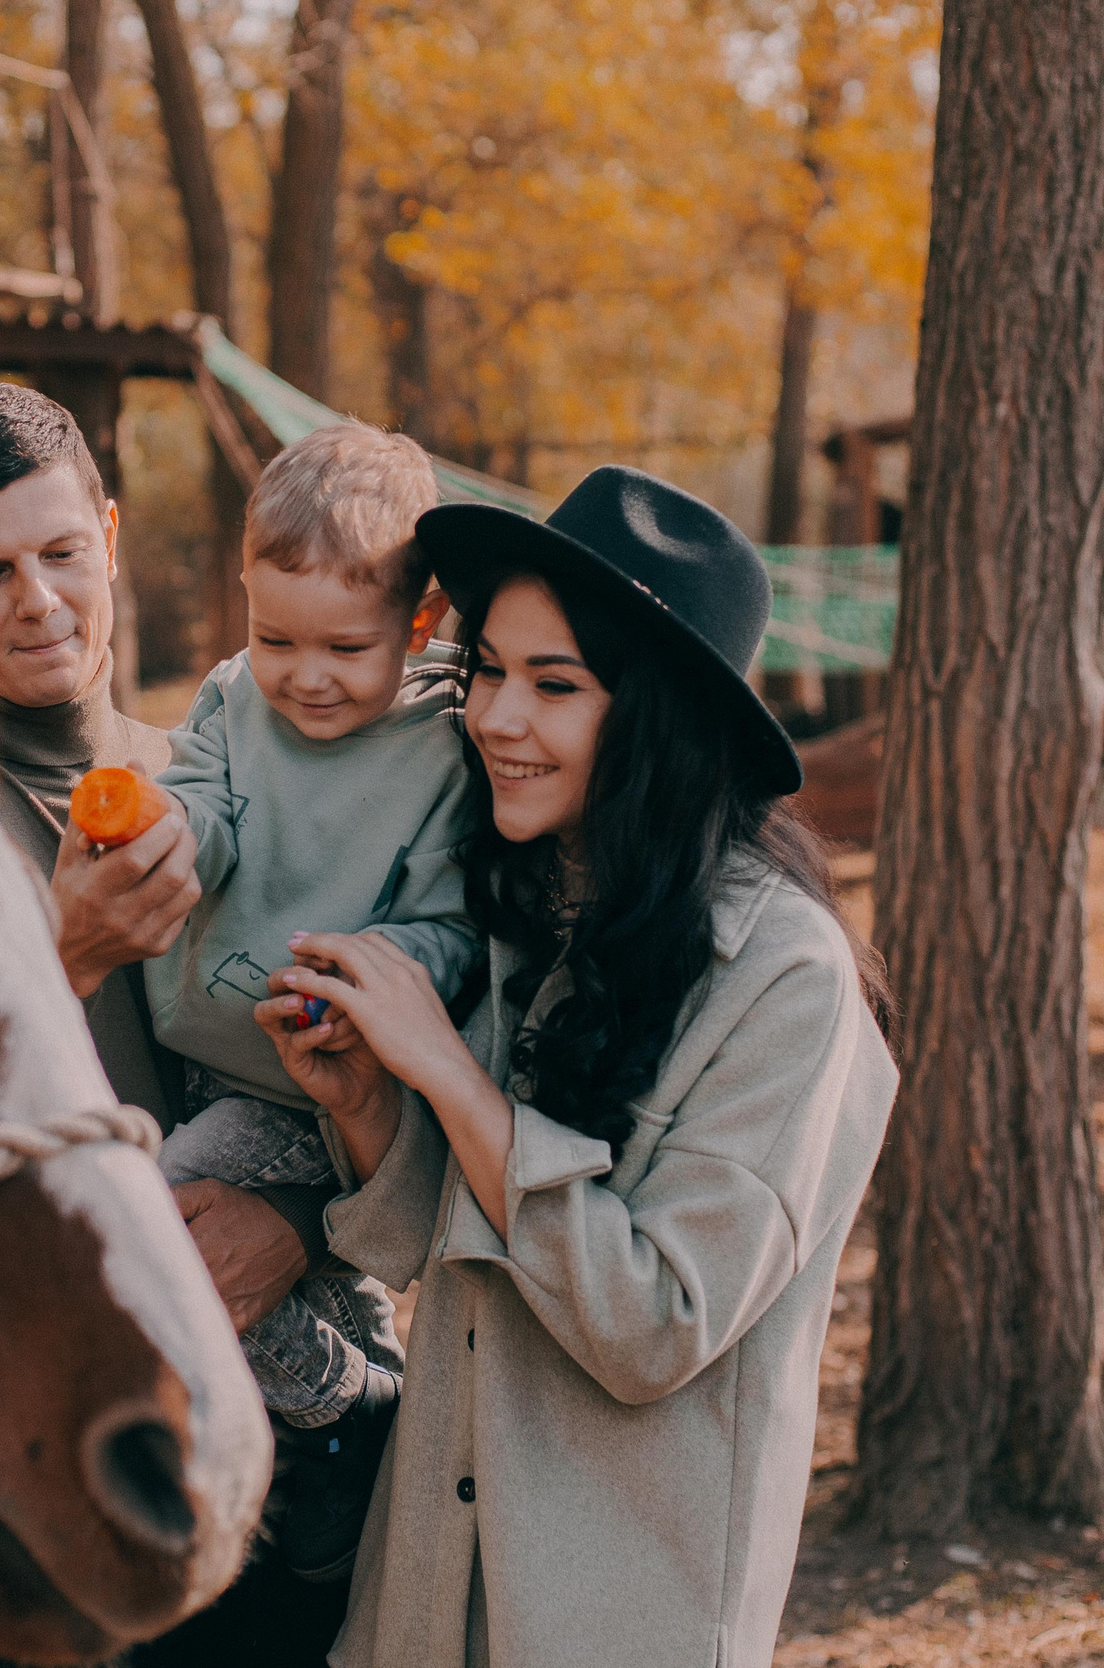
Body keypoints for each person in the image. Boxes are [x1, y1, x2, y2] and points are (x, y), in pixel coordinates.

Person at [253, 466, 898, 1668]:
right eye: (489, 669)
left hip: (614, 1618)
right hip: (422, 1601)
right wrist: (367, 1102)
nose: (498, 717)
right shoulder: (529, 903)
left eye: (555, 685)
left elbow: (652, 1323)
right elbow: (429, 1249)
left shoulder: (787, 980)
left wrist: (447, 1072)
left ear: (656, 718)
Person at [0, 383, 351, 1666]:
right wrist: (64, 953)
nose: (37, 601)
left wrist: (294, 1224)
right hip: (37, 1488)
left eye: (59, 553)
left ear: (107, 530)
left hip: (289, 1466)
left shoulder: (225, 778)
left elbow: (366, 1088)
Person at [146, 425, 479, 1581]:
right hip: (201, 1049)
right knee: (275, 1267)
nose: (305, 673)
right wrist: (168, 834)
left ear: (420, 623)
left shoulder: (441, 748)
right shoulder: (235, 699)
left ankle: (341, 1397)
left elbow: (452, 925)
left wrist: (374, 969)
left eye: (345, 645)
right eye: (273, 635)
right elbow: (203, 799)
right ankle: (335, 1383)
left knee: (149, 1227)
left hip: (308, 1082)